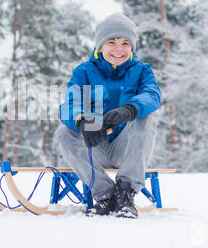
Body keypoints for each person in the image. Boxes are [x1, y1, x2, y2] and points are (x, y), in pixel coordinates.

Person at [52, 13, 161, 219]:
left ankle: (126, 193)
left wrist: (129, 109)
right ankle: (106, 195)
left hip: (127, 147)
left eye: (125, 43)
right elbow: (71, 103)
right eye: (112, 42)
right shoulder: (84, 72)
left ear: (132, 47)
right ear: (100, 46)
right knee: (63, 133)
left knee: (146, 118)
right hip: (94, 147)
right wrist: (81, 120)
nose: (119, 49)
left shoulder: (143, 71)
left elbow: (152, 95)